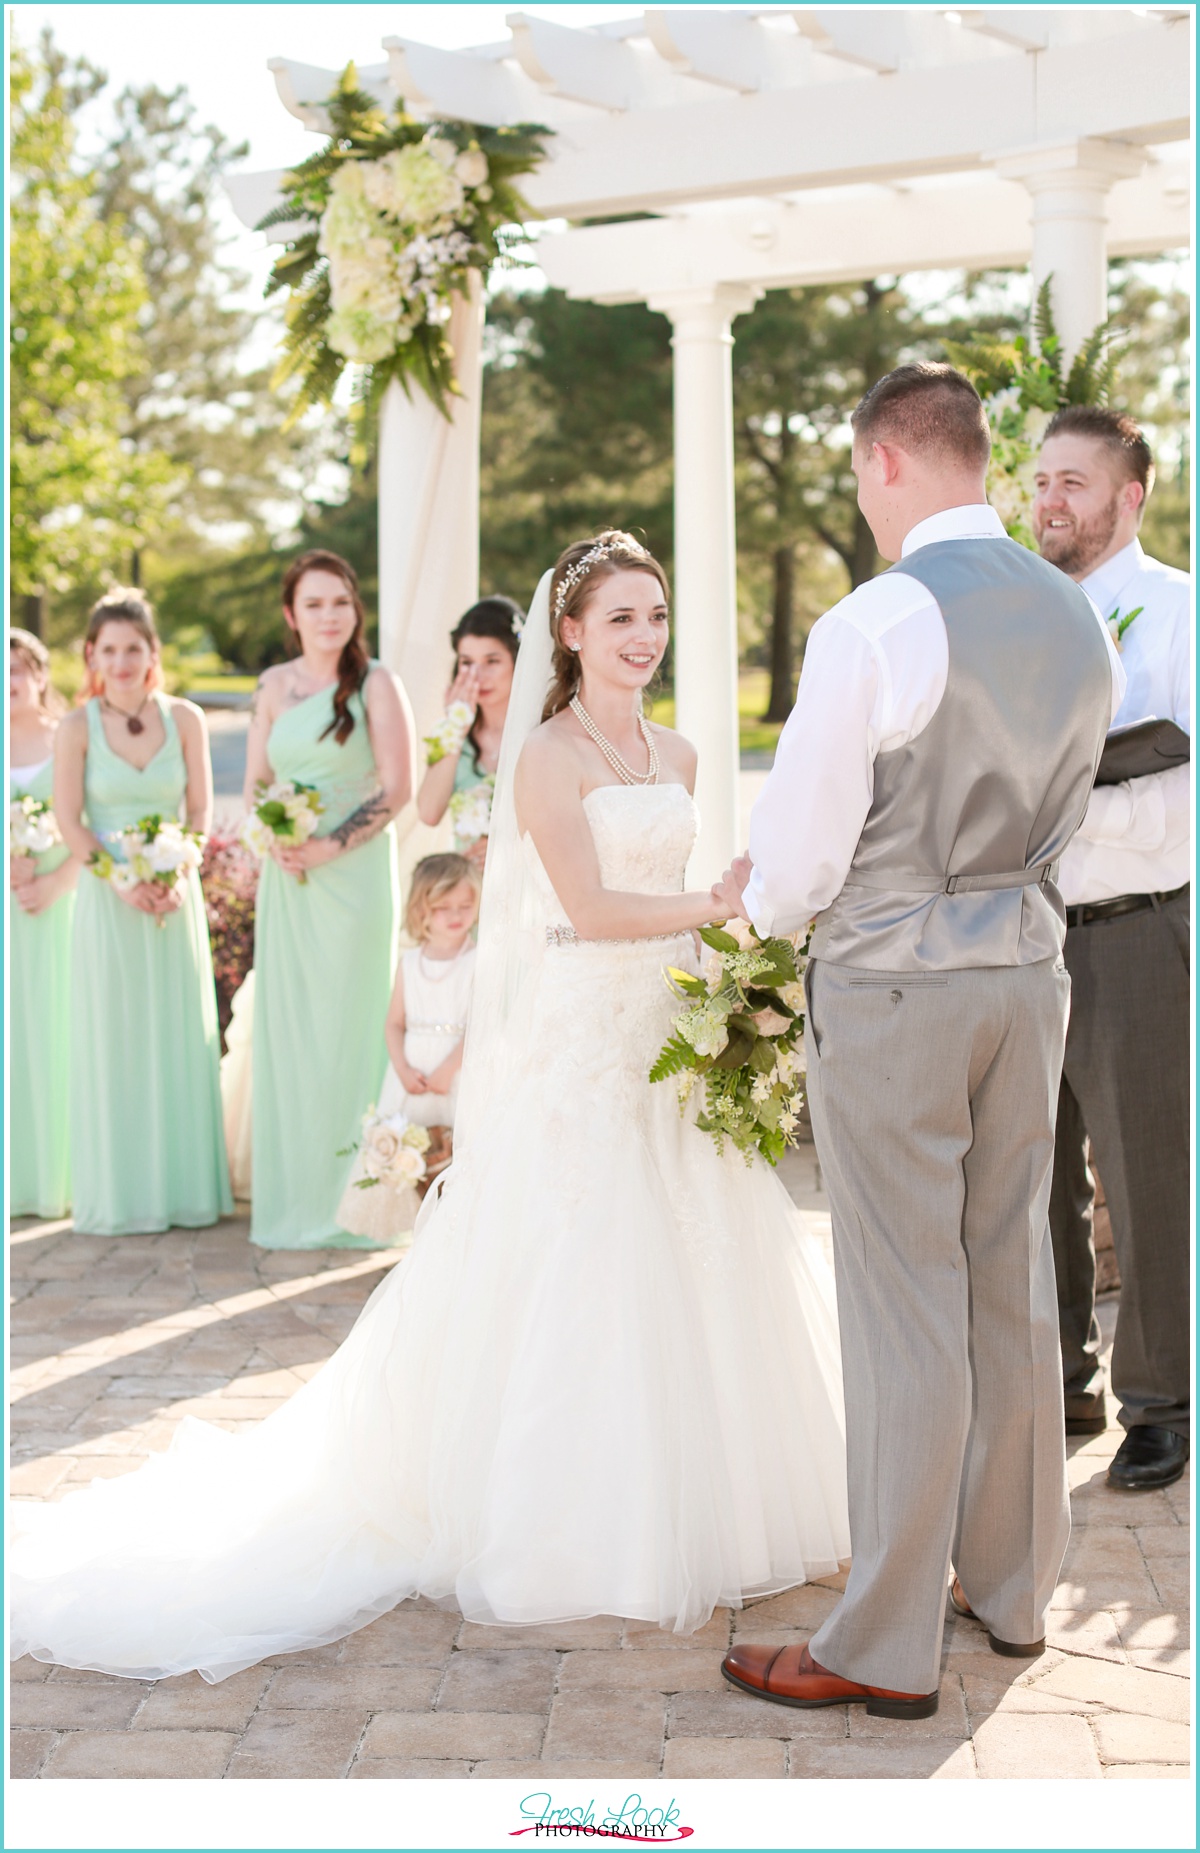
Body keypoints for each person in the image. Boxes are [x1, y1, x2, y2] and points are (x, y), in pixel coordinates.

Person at [11, 530, 849, 1683]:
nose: (645, 635)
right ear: (569, 630)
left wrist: (728, 942)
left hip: (664, 1030)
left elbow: (668, 897)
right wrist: (715, 904)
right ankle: (570, 1515)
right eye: (620, 617)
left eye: (656, 613)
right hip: (584, 1034)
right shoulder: (547, 757)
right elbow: (595, 908)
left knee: (697, 1238)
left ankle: (726, 1498)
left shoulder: (689, 751)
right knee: (579, 1254)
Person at [716, 364, 1124, 1720]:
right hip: (1028, 976)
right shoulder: (1078, 611)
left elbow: (806, 849)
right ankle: (1009, 1591)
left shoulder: (879, 619)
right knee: (1011, 1280)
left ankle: (881, 1640)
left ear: (887, 459)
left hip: (898, 987)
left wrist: (760, 910)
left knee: (901, 1305)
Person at [1032, 407, 1190, 1490]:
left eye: (1073, 482)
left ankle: (1160, 1401)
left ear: (1128, 496)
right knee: (1031, 1176)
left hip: (1137, 932)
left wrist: (1068, 803)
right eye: (1041, 479)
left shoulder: (1180, 612)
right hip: (1026, 935)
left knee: (1144, 1173)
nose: (1049, 499)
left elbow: (1180, 787)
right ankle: (1061, 1377)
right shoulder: (1015, 617)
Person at [243, 550, 414, 1250]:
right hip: (289, 883)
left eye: (340, 602)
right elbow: (257, 780)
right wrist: (278, 833)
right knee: (293, 1033)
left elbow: (397, 788)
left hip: (353, 879)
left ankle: (359, 1204)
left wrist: (329, 844)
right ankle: (298, 1198)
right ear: (291, 614)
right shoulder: (273, 685)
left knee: (349, 1027)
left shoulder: (376, 683)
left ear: (356, 610)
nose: (328, 616)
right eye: (313, 604)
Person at [53, 590, 232, 1235]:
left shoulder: (184, 718)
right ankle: (122, 1196)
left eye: (134, 648)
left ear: (153, 653)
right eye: (110, 650)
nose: (122, 661)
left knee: (177, 1037)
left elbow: (202, 813)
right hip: (108, 904)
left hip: (173, 901)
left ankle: (184, 1193)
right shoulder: (75, 728)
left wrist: (180, 868)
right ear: (92, 657)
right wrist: (119, 879)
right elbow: (70, 821)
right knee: (116, 1039)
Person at [335, 852, 480, 1246]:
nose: (455, 915)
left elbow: (482, 1026)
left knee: (456, 1154)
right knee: (411, 1156)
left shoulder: (479, 961)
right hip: (412, 1077)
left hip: (458, 1075)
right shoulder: (410, 962)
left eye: (465, 906)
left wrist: (450, 1068)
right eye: (443, 907)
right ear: (422, 911)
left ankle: (456, 1239)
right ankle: (423, 1241)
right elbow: (394, 1023)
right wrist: (400, 1067)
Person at [10, 629, 78, 1219]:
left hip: (60, 903)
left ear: (40, 674)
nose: (9, 681)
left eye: (18, 668)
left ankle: (60, 1174)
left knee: (57, 1026)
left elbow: (92, 818)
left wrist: (54, 881)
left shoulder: (67, 739)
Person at [416, 596, 523, 864]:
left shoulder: (545, 733)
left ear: (517, 661)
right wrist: (456, 726)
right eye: (467, 662)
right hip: (470, 890)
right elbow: (429, 813)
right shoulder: (452, 737)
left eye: (492, 661)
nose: (477, 675)